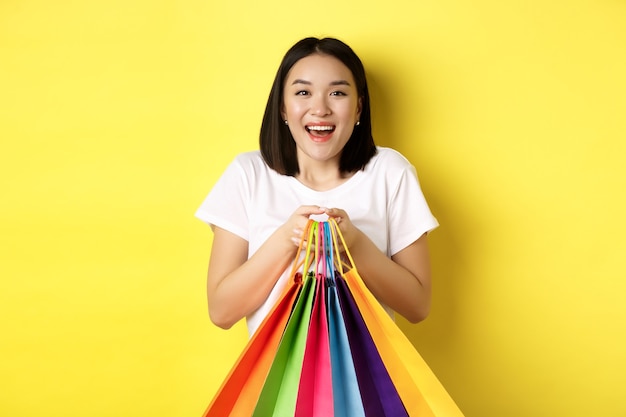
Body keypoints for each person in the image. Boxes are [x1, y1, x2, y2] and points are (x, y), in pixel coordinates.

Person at [195, 37, 439, 337]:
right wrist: (287, 239)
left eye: (337, 92)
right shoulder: (248, 174)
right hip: (277, 380)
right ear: (283, 108)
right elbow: (221, 311)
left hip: (366, 382)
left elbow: (418, 306)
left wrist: (355, 244)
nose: (320, 108)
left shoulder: (390, 172)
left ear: (359, 107)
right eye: (303, 92)